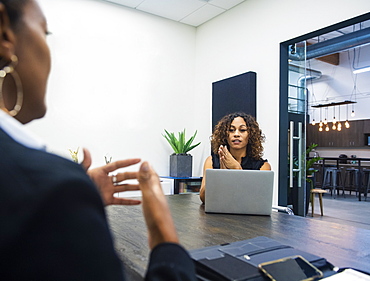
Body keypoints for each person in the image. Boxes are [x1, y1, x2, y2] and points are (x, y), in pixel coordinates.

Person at [0, 0, 196, 280]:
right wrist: (164, 235)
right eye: (45, 33)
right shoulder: (52, 188)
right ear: (4, 32)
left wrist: (73, 204)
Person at [199, 112, 271, 203]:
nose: (236, 134)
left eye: (242, 130)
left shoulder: (263, 166)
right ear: (225, 135)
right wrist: (221, 175)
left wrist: (236, 168)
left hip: (249, 216)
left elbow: (257, 200)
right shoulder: (211, 161)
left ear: (251, 135)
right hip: (218, 214)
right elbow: (203, 198)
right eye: (231, 130)